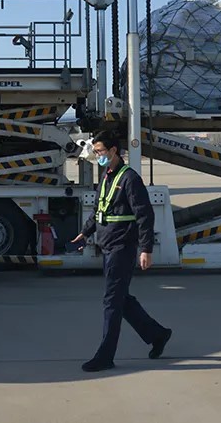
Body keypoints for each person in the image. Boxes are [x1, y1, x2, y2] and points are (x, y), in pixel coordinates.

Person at [70, 129, 172, 372]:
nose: (98, 156)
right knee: (121, 299)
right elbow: (100, 209)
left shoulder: (130, 179)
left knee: (111, 302)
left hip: (122, 247)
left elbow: (144, 216)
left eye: (100, 152)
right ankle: (157, 334)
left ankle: (105, 356)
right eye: (96, 152)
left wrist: (146, 249)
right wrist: (85, 232)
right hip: (107, 245)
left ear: (113, 150)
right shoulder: (107, 176)